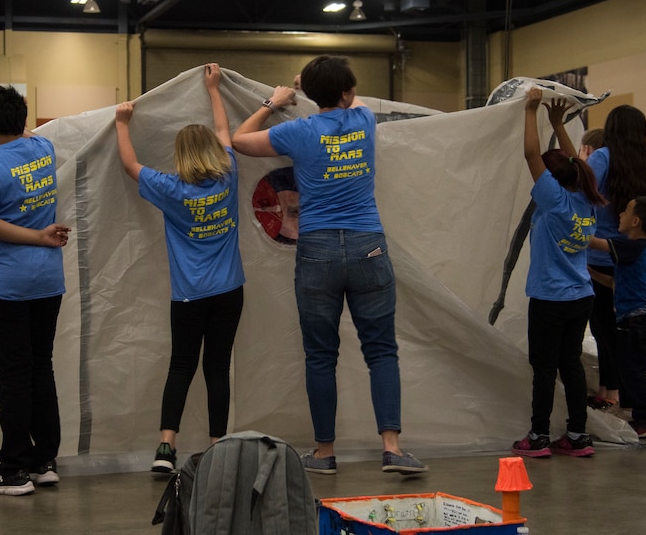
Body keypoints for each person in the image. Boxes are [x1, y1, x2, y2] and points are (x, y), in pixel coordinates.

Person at [231, 55, 427, 475]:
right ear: (347, 92)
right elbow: (346, 98)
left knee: (320, 356)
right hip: (367, 247)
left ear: (310, 95)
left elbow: (238, 140)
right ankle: (392, 448)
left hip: (317, 248)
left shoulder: (296, 131)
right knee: (381, 351)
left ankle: (324, 454)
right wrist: (312, 85)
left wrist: (274, 100)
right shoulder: (363, 122)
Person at [114, 63, 246, 474]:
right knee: (217, 368)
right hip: (229, 291)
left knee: (181, 365)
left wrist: (122, 123)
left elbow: (129, 165)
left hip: (188, 294)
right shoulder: (228, 175)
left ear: (181, 156)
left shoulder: (171, 189)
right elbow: (224, 133)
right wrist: (214, 89)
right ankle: (218, 445)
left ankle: (165, 448)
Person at [0, 85, 70, 496]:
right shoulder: (43, 149)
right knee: (40, 367)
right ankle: (44, 460)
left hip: (7, 284)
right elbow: (27, 134)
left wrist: (38, 237)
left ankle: (13, 469)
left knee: (14, 375)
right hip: (47, 281)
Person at [511, 89, 604, 459]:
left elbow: (531, 154)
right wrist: (557, 123)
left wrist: (531, 111)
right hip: (581, 297)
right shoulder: (587, 198)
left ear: (552, 179)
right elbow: (576, 164)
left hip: (550, 299)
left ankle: (538, 437)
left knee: (545, 368)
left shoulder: (554, 201)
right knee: (571, 365)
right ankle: (578, 435)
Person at [590, 196, 646, 438]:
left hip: (637, 324)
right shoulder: (639, 248)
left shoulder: (630, 245)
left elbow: (593, 243)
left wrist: (569, 229)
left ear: (636, 221)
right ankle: (638, 415)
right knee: (629, 371)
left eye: (625, 211)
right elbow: (613, 282)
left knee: (633, 373)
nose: (619, 214)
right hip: (640, 324)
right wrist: (588, 272)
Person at [585, 105, 646, 411]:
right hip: (630, 255)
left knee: (602, 329)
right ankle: (617, 390)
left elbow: (581, 192)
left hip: (598, 252)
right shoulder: (644, 166)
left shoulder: (601, 158)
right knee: (621, 330)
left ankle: (609, 391)